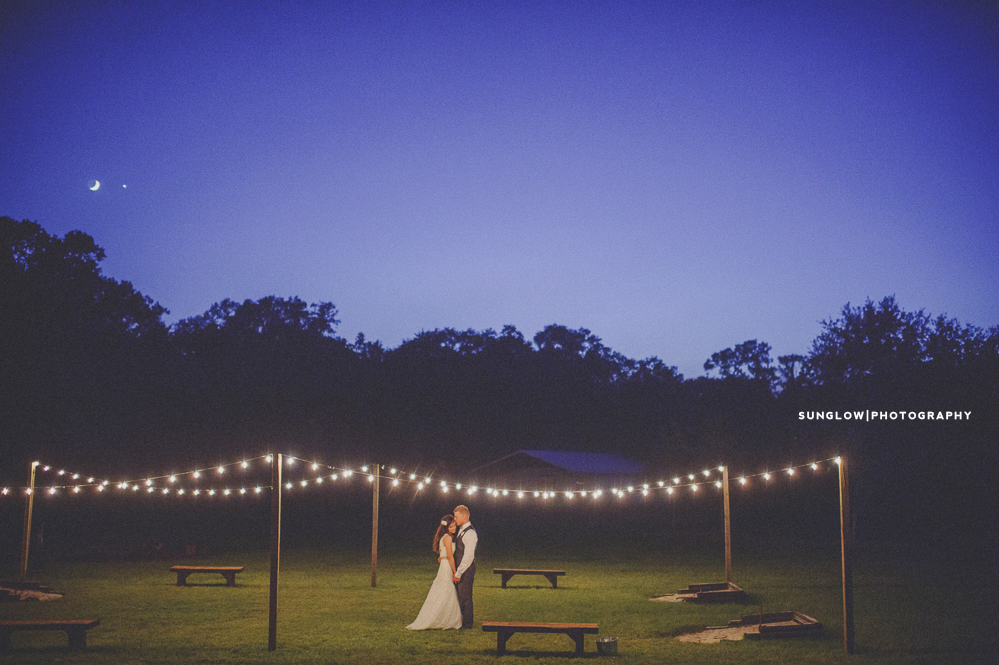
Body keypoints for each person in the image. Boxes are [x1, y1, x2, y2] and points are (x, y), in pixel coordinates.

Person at [406, 515, 463, 630]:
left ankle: (444, 616)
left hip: (443, 564)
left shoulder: (444, 537)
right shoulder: (448, 538)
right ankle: (445, 618)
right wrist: (455, 571)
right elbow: (450, 556)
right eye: (451, 526)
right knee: (446, 589)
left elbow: (443, 553)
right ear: (446, 528)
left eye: (454, 526)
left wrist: (442, 558)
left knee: (443, 589)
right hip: (447, 566)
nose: (454, 528)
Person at [452, 504, 477, 629]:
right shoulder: (461, 530)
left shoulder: (470, 533)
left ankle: (467, 623)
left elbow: (468, 557)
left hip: (466, 570)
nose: (454, 519)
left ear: (464, 517)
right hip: (460, 569)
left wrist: (458, 573)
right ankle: (461, 619)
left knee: (465, 596)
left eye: (456, 517)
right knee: (460, 595)